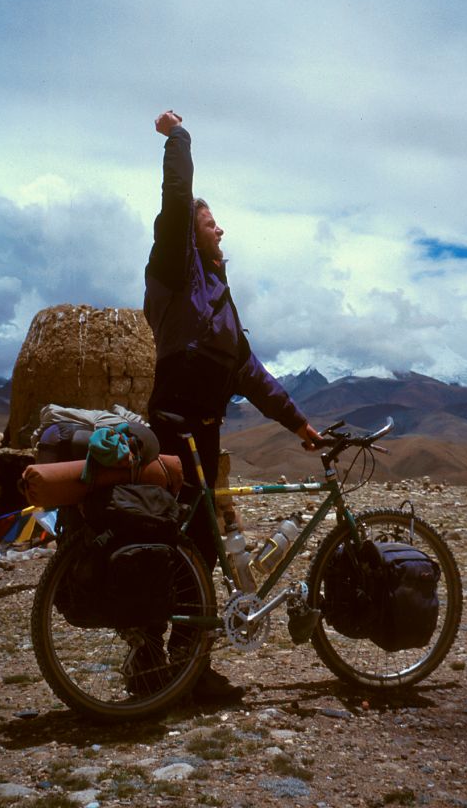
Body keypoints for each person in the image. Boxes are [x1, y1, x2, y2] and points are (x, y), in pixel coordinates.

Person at [143, 109, 320, 701]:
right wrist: (179, 140)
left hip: (206, 434)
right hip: (174, 428)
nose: (222, 232)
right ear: (191, 237)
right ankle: (154, 660)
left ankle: (183, 665)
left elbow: (249, 372)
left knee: (199, 544)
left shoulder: (219, 301)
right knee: (173, 541)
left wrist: (297, 421)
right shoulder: (175, 271)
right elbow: (177, 201)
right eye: (213, 225)